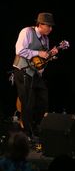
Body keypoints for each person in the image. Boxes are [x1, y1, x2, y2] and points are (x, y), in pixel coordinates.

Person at [12, 12, 58, 140]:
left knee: (43, 100)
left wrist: (50, 55)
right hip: (22, 70)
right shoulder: (27, 32)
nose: (50, 29)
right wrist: (38, 52)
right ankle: (27, 134)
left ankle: (38, 128)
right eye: (48, 26)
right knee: (28, 102)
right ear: (40, 24)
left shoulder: (46, 39)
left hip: (35, 73)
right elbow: (19, 50)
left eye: (51, 26)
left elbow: (42, 59)